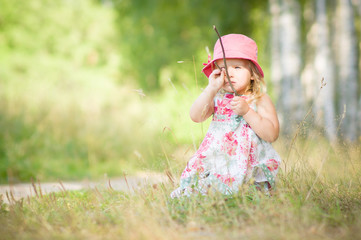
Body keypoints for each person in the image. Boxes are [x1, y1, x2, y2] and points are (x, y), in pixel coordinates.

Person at [171, 34, 281, 198]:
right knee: (202, 192)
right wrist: (211, 89)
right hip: (219, 164)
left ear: (252, 73)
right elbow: (196, 116)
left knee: (250, 195)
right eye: (223, 69)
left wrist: (247, 112)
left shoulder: (259, 99)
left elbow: (271, 134)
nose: (229, 73)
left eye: (237, 67)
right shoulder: (217, 97)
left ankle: (245, 197)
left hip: (249, 166)